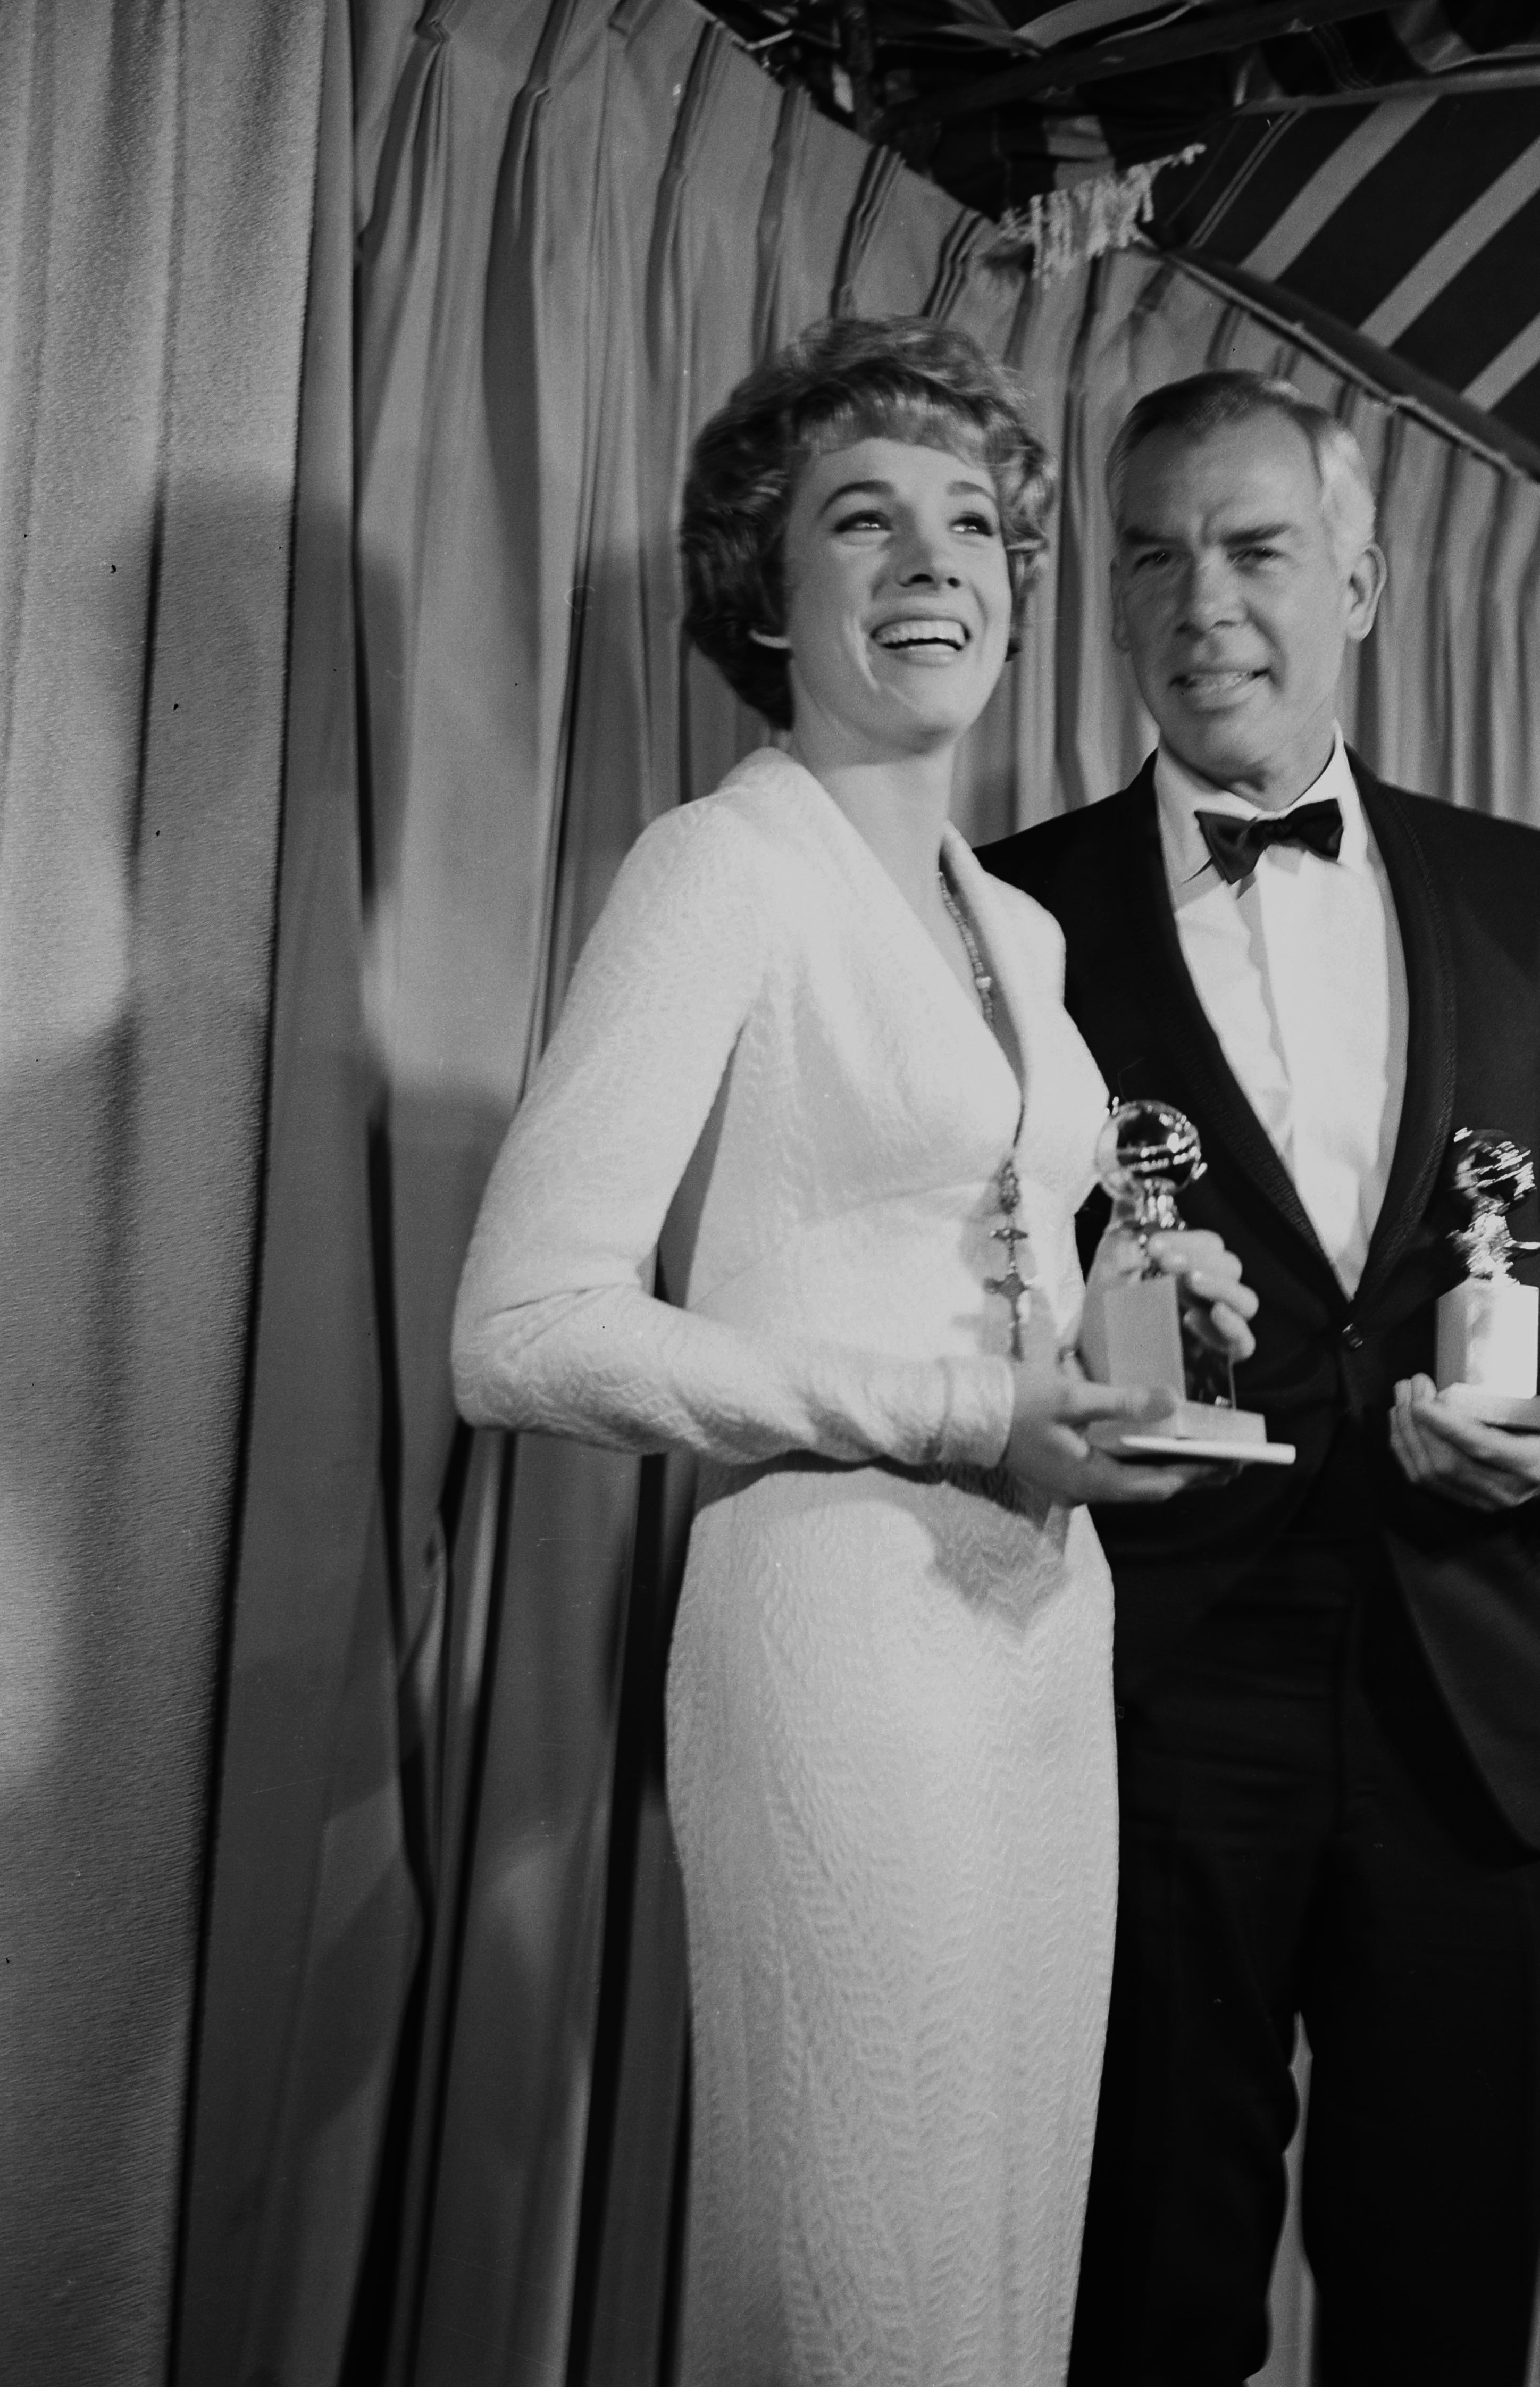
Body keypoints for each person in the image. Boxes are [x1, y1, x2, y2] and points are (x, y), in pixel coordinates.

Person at [449, 320, 1255, 2387]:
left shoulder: (1025, 927)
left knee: (1003, 2279)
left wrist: (1121, 1337)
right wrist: (958, 1406)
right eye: (863, 520)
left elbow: (960, 1256)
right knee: (860, 2296)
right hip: (832, 1633)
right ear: (762, 582)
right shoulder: (723, 865)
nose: (935, 562)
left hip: (1040, 1645)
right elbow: (521, 1329)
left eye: (976, 521)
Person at [982, 371, 1540, 2386]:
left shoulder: (1522, 892)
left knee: (1444, 2314)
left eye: (1255, 544)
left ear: (1363, 574)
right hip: (1144, 1696)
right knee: (1140, 2308)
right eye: (1151, 556)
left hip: (1471, 1698)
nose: (1200, 598)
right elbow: (971, 1288)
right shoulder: (1011, 910)